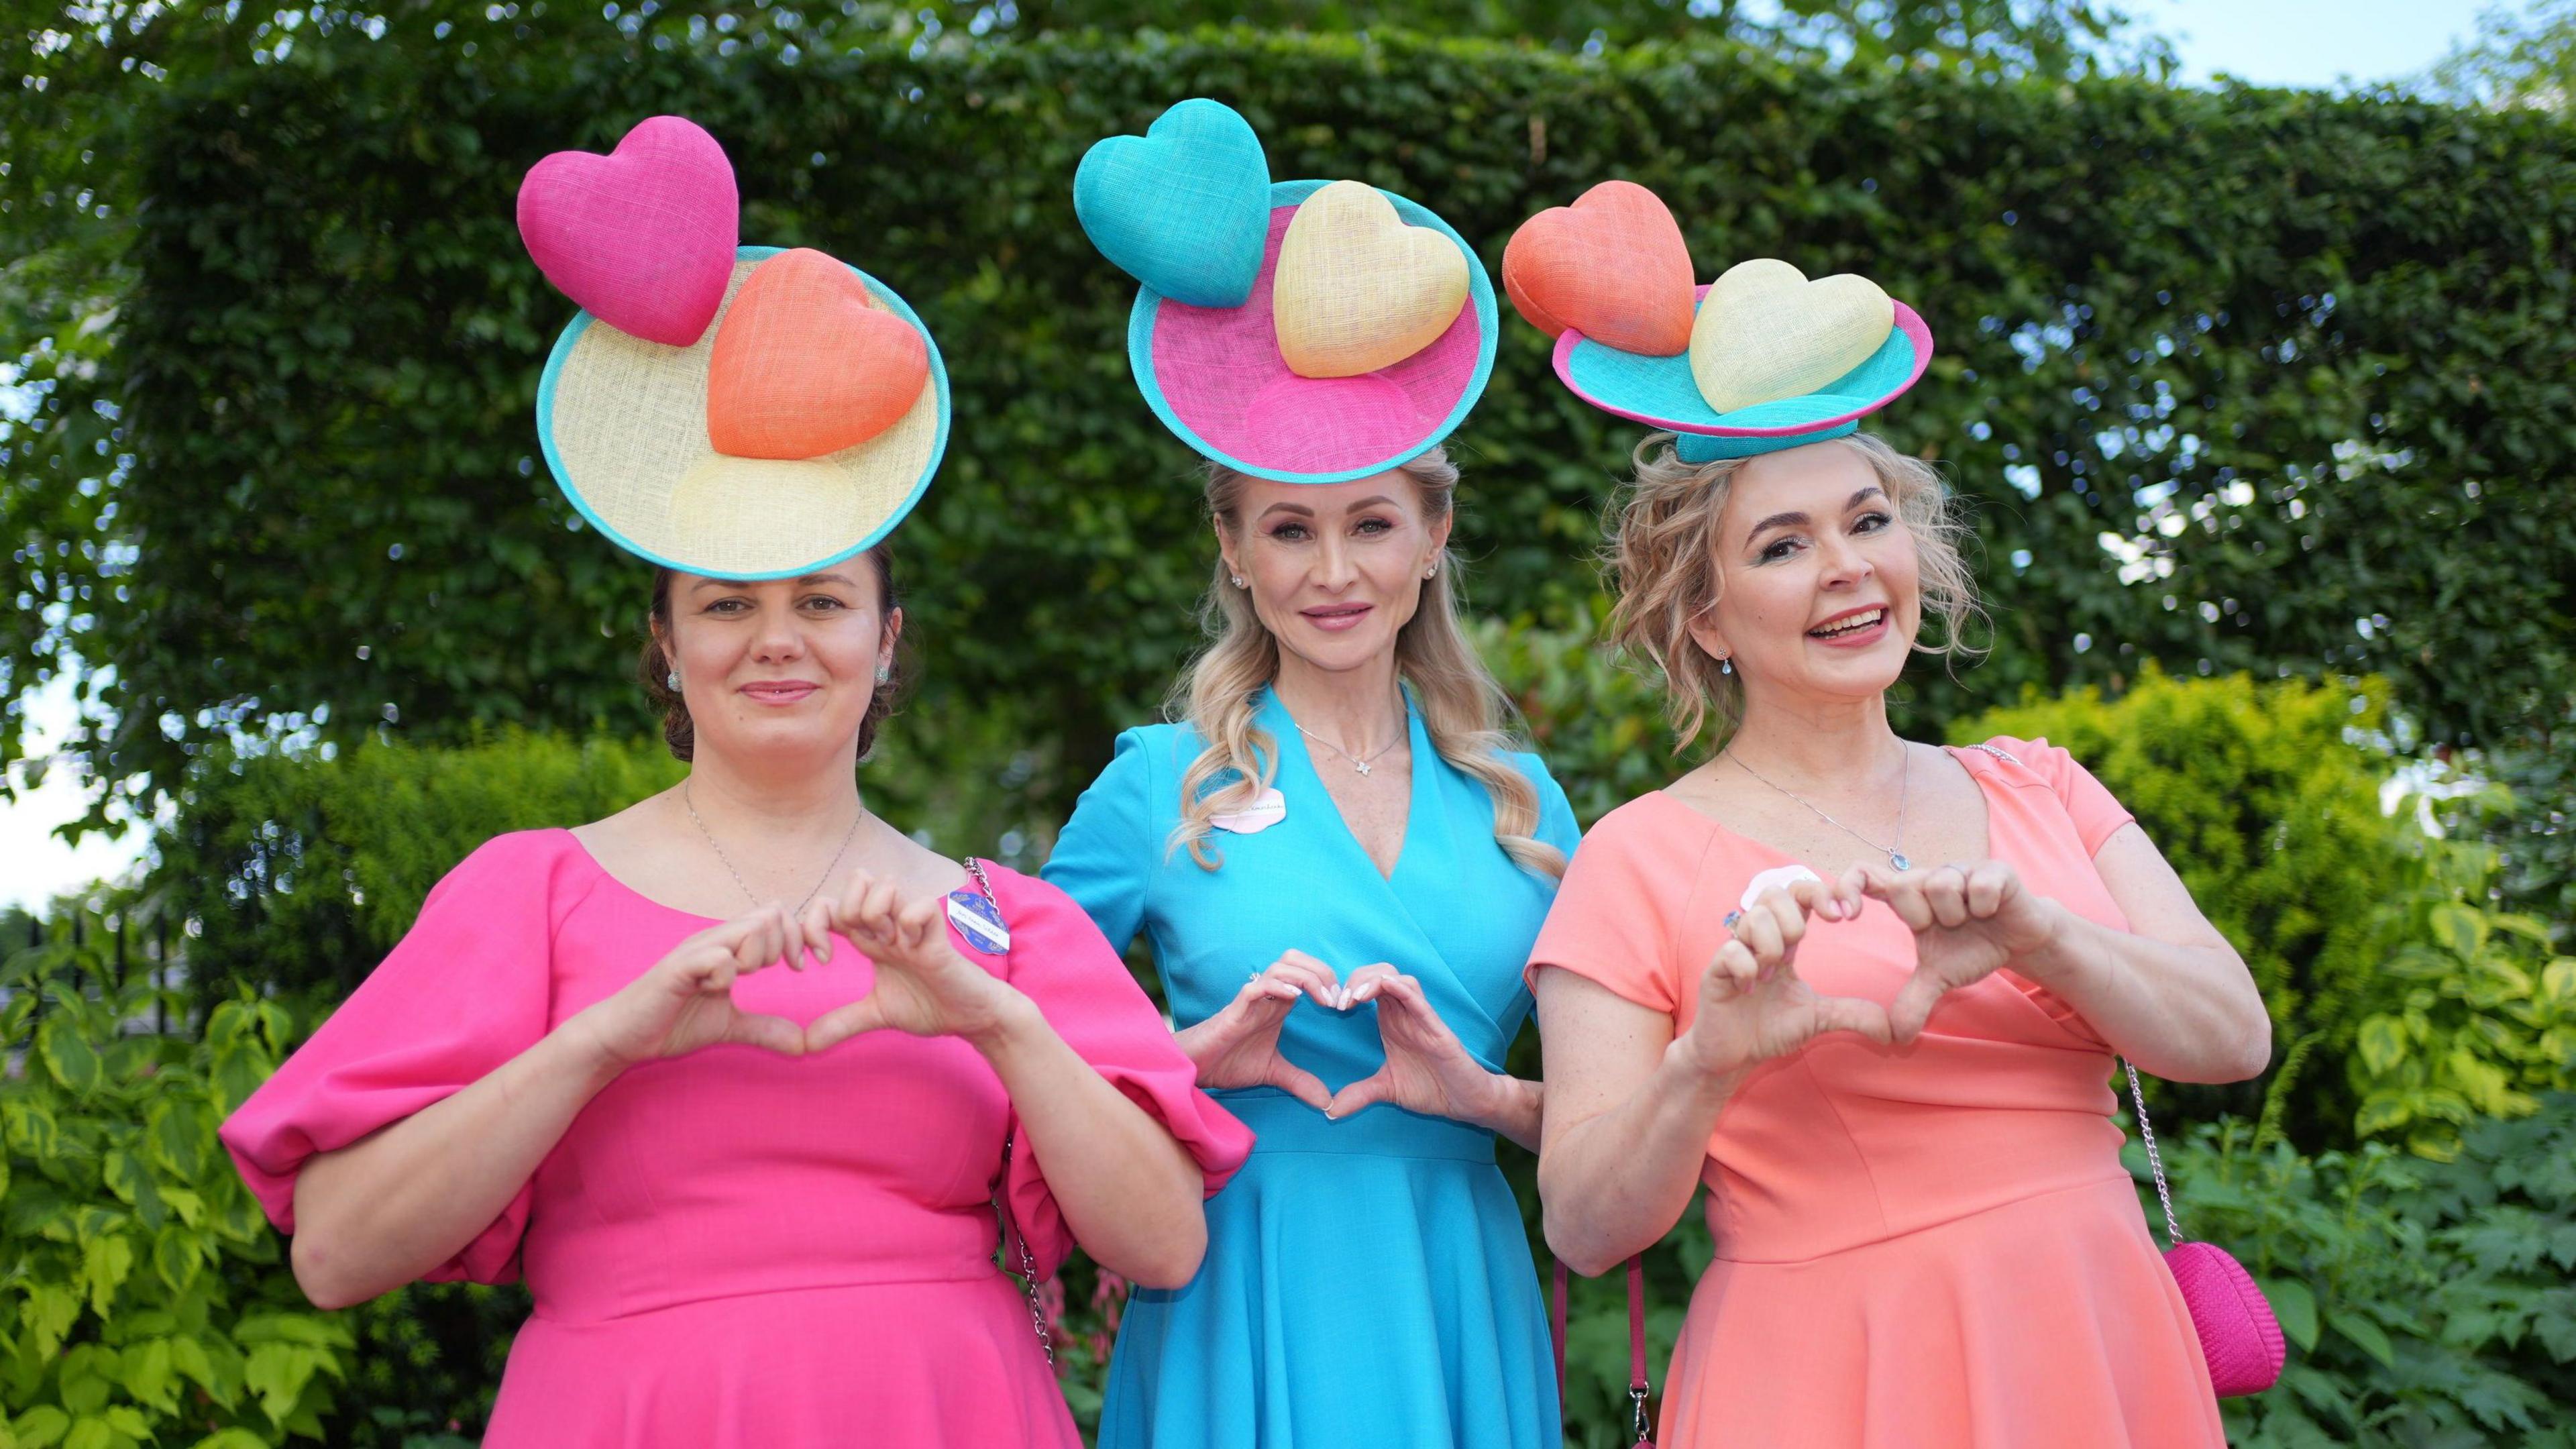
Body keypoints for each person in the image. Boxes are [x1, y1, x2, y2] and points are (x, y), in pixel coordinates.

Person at [219, 114, 1252, 1449]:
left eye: (823, 601)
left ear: (884, 642)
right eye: (725, 606)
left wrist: (989, 1018)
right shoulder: (531, 895)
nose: (776, 640)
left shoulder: (1003, 924)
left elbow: (1163, 1244)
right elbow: (338, 1253)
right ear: (665, 642)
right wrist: (601, 1042)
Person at [1503, 180, 2272, 1448]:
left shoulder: (2042, 785)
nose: (1850, 567)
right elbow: (1586, 1227)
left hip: (2097, 1346)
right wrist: (1709, 1063)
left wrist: (2046, 940)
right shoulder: (1636, 858)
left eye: (1869, 522)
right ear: (1705, 616)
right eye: (1784, 545)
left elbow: (2231, 1035)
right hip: (1825, 1381)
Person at [1042, 97, 1576, 1448]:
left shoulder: (1524, 803)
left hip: (1456, 1282)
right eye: (1289, 528)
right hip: (1233, 1279)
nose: (1332, 573)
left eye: (1371, 525)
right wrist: (1188, 1064)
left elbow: (1617, 1120)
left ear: (1432, 537)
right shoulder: (1151, 789)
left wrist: (1489, 1101)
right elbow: (1019, 1075)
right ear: (1235, 549)